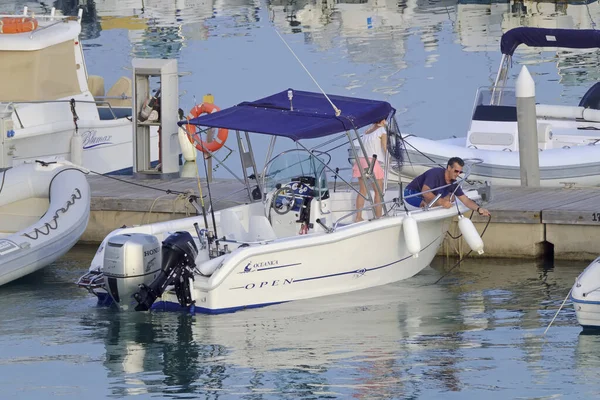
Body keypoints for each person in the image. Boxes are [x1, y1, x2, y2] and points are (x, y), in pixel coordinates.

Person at [404, 157, 491, 217]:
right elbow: (425, 191)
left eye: (460, 172)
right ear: (449, 167)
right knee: (430, 204)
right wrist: (441, 202)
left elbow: (465, 200)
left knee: (451, 199)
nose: (457, 174)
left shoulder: (453, 183)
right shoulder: (435, 173)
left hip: (428, 195)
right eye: (456, 171)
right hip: (412, 193)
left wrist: (479, 209)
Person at [354, 119, 387, 222]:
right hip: (372, 161)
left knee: (362, 190)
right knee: (378, 191)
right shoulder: (382, 131)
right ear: (383, 120)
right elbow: (385, 148)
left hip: (360, 160)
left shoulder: (367, 131)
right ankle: (378, 216)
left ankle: (358, 217)